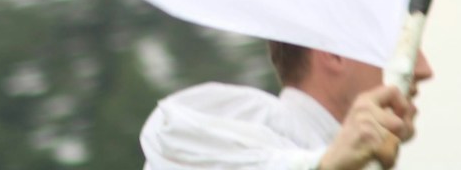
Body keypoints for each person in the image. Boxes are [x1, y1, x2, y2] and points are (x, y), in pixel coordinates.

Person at [140, 42, 432, 170]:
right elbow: (169, 136)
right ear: (335, 53)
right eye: (402, 42)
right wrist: (322, 164)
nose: (423, 68)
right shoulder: (264, 120)